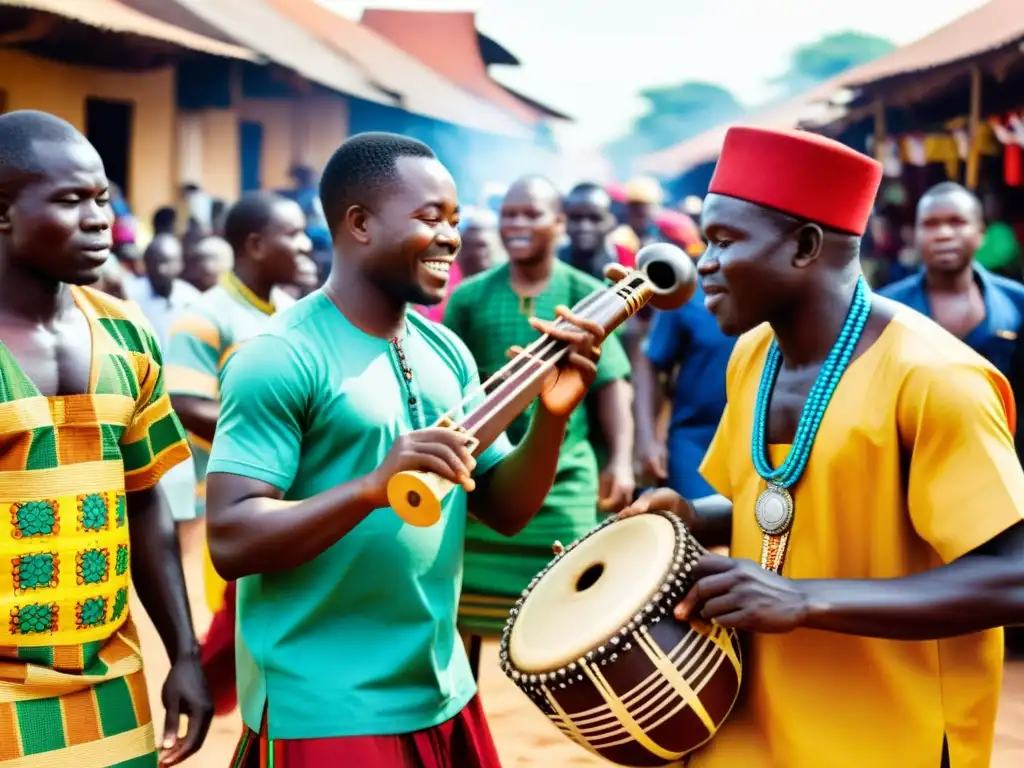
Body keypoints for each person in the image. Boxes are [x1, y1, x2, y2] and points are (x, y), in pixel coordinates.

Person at [619, 126, 1024, 768]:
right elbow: (785, 506)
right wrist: (695, 517)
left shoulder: (935, 378)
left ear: (807, 245)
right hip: (752, 722)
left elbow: (1014, 575)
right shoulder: (753, 353)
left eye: (725, 242)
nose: (704, 264)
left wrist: (804, 600)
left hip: (893, 732)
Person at [205, 132, 606, 767]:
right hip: (327, 703)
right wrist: (371, 487)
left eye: (454, 218)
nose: (451, 236)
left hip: (441, 689)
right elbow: (230, 538)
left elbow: (503, 507)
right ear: (359, 224)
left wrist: (552, 420)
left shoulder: (446, 351)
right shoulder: (278, 356)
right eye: (429, 218)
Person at [0, 110, 211, 765]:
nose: (102, 221)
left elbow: (145, 501)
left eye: (103, 199)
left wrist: (183, 652)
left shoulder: (127, 333)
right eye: (71, 200)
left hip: (113, 683)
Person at [444, 174, 634, 659]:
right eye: (509, 214)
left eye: (531, 214)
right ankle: (465, 724)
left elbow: (612, 386)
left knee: (572, 610)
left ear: (559, 223)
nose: (517, 224)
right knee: (462, 615)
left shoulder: (591, 295)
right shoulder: (469, 297)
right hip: (484, 483)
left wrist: (623, 460)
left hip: (566, 477)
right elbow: (450, 383)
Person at [165, 191, 308, 714]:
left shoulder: (295, 314)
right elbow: (184, 401)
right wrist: (268, 442)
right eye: (291, 234)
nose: (303, 244)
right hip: (230, 502)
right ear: (255, 243)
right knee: (245, 622)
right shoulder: (205, 316)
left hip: (294, 503)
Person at [880, 181, 1024, 378]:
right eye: (930, 224)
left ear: (981, 233)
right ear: (916, 235)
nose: (943, 234)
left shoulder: (1017, 302)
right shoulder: (885, 308)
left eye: (957, 222)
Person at [633, 278, 735, 497]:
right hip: (695, 443)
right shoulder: (689, 294)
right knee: (700, 522)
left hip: (764, 443)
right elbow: (651, 361)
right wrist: (647, 439)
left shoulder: (777, 292)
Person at [125, 233, 201, 351]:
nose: (161, 269)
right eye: (154, 262)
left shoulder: (191, 300)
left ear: (180, 264)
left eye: (167, 262)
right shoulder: (128, 296)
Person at [559, 182, 620, 280]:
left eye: (595, 218)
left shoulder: (625, 268)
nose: (584, 227)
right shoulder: (552, 268)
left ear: (611, 222)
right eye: (575, 218)